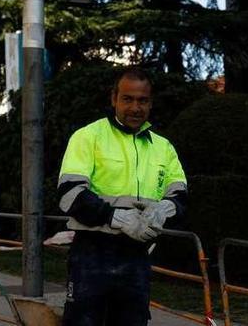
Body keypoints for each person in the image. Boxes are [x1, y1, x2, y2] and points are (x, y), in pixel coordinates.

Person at [51, 67, 188, 325]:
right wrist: (117, 218)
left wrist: (164, 210)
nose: (135, 107)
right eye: (128, 99)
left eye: (142, 100)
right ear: (113, 98)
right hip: (92, 254)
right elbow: (69, 194)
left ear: (151, 103)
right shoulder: (88, 137)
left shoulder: (163, 148)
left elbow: (180, 195)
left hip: (137, 258)